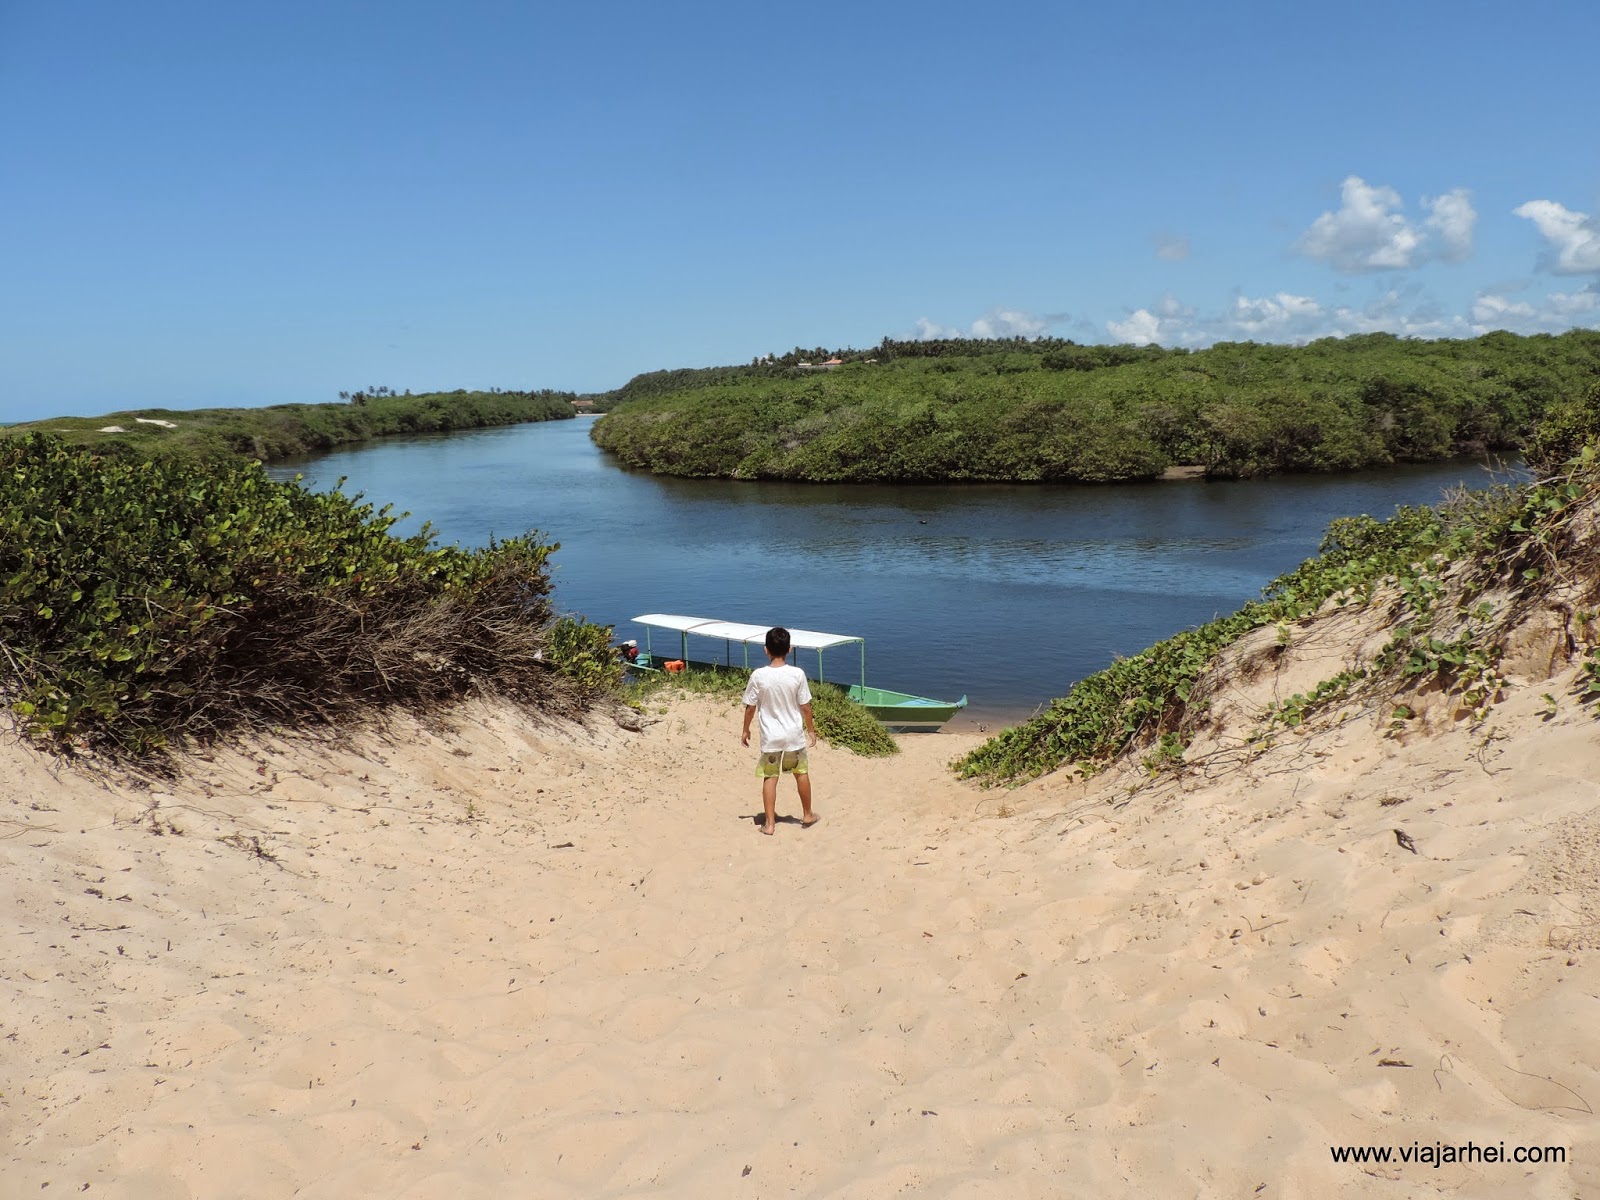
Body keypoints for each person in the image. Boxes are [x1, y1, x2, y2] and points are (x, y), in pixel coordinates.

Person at [741, 626, 819, 835]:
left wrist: (745, 730)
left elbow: (750, 707)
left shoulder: (758, 676)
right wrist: (810, 730)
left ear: (766, 650)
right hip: (793, 733)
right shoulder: (797, 674)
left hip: (771, 736)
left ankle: (770, 824)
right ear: (789, 649)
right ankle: (807, 814)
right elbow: (805, 707)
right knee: (801, 773)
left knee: (770, 777)